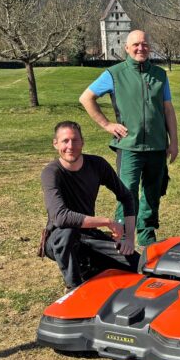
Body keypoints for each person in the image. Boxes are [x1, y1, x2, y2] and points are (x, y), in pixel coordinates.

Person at [79, 30, 179, 249]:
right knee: (127, 191)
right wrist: (107, 124)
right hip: (129, 146)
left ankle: (146, 233)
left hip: (157, 145)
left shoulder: (160, 75)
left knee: (153, 191)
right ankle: (123, 234)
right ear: (126, 48)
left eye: (144, 44)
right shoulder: (114, 74)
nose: (140, 48)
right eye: (135, 44)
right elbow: (86, 98)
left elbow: (168, 109)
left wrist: (174, 142)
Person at [40, 121, 139, 289]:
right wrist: (107, 221)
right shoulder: (51, 172)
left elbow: (126, 197)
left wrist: (129, 238)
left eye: (75, 140)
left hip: (89, 235)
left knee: (137, 265)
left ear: (82, 142)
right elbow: (60, 217)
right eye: (65, 141)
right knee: (68, 232)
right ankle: (74, 287)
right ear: (55, 144)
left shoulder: (97, 165)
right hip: (59, 239)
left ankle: (90, 267)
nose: (70, 146)